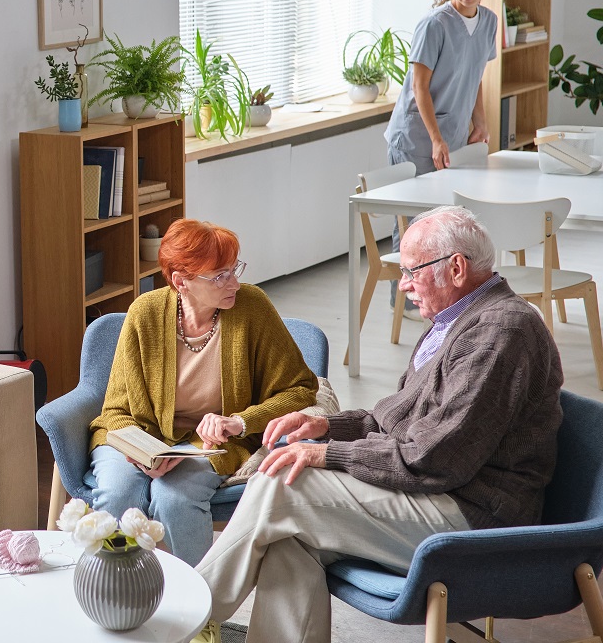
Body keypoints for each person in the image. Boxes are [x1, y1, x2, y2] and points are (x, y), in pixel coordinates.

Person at [195, 206, 563, 643]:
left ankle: (179, 619)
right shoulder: (455, 322)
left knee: (282, 485)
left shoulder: (502, 332)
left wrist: (327, 454)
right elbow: (393, 419)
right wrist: (325, 428)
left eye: (411, 271)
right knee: (288, 539)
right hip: (439, 495)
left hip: (474, 516)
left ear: (457, 268)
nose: (403, 284)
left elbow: (435, 458)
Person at [86, 219, 318, 565]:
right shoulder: (144, 314)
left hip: (212, 446)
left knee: (174, 497)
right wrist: (141, 450)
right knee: (118, 493)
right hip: (139, 439)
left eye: (234, 269)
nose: (234, 283)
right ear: (181, 281)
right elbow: (116, 410)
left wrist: (239, 421)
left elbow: (301, 390)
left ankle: (202, 609)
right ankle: (118, 593)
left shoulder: (252, 307)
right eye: (220, 275)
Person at [383, 0, 498, 320]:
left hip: (453, 134)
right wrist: (435, 138)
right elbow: (419, 87)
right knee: (414, 224)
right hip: (417, 135)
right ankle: (404, 301)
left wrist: (479, 121)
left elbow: (475, 76)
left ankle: (438, 298)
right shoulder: (434, 24)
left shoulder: (489, 22)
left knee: (443, 224)